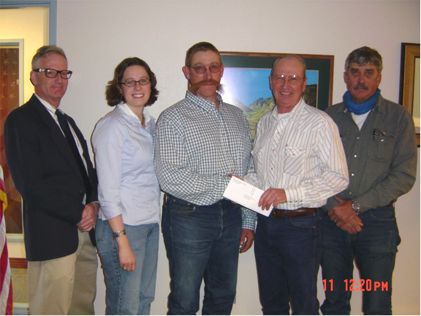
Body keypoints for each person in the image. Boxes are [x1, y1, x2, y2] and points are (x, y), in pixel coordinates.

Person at [154, 41, 255, 315]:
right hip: (189, 216)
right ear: (187, 72)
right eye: (199, 68)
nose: (207, 74)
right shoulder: (172, 118)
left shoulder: (237, 117)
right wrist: (226, 184)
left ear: (221, 71)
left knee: (223, 296)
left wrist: (248, 220)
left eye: (213, 67)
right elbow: (170, 177)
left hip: (232, 215)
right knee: (185, 300)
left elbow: (247, 172)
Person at [245, 55, 349, 314]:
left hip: (301, 227)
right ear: (270, 82)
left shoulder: (320, 123)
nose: (285, 84)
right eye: (280, 77)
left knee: (304, 303)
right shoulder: (265, 122)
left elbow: (338, 177)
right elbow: (261, 175)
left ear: (304, 83)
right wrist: (242, 181)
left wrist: (287, 194)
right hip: (266, 224)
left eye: (293, 78)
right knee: (272, 302)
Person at [320, 46, 417, 315]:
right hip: (332, 222)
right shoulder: (327, 118)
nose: (361, 80)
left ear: (379, 77)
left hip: (377, 224)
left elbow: (404, 175)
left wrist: (356, 206)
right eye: (354, 72)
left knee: (377, 303)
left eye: (368, 73)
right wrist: (334, 207)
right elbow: (311, 171)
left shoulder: (398, 118)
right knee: (335, 300)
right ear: (345, 76)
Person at [4, 45, 98, 314]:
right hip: (52, 236)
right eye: (50, 72)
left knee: (81, 308)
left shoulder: (67, 121)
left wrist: (93, 204)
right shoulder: (20, 120)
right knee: (51, 309)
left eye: (64, 73)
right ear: (34, 77)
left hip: (84, 234)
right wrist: (78, 211)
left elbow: (86, 171)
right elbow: (31, 185)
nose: (59, 79)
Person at [92, 57, 160, 315]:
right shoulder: (112, 126)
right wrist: (122, 242)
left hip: (148, 223)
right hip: (122, 228)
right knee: (125, 308)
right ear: (119, 87)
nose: (137, 87)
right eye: (129, 82)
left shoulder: (150, 125)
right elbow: (107, 191)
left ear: (151, 85)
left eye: (142, 80)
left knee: (143, 300)